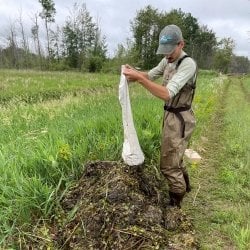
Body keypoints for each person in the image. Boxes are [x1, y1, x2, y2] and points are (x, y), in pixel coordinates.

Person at [123, 24, 197, 208]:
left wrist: (139, 79)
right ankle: (185, 187)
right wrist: (131, 74)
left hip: (180, 119)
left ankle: (175, 205)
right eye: (164, 51)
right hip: (170, 116)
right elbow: (149, 75)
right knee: (176, 156)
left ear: (181, 44)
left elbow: (167, 93)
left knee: (168, 165)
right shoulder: (167, 60)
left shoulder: (188, 64)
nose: (167, 55)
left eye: (170, 51)